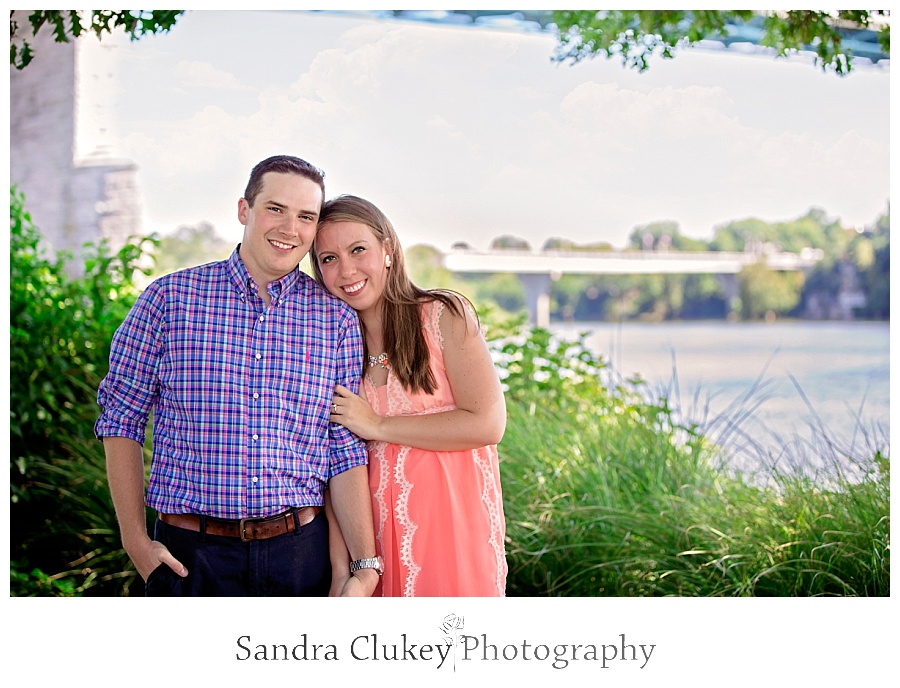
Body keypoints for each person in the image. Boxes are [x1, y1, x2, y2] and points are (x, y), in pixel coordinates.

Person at [94, 155, 381, 597]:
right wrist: (135, 540)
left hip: (300, 556)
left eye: (306, 216)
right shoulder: (168, 300)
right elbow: (121, 419)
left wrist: (364, 565)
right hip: (190, 558)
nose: (289, 228)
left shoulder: (336, 320)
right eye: (275, 209)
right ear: (245, 210)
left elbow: (342, 448)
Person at [311, 195, 508, 597]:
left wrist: (378, 424)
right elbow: (332, 468)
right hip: (375, 549)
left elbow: (487, 423)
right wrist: (341, 570)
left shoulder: (442, 315)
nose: (346, 269)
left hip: (452, 538)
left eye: (358, 249)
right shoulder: (333, 348)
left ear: (387, 250)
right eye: (328, 259)